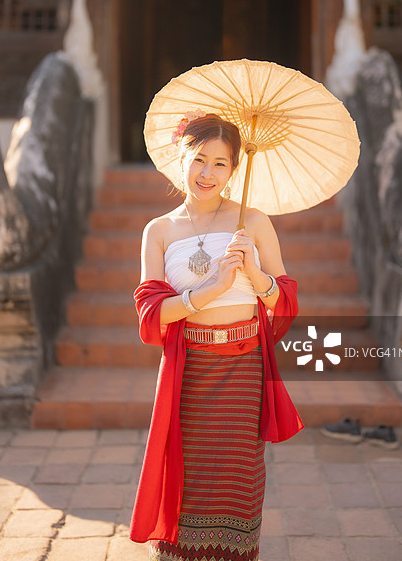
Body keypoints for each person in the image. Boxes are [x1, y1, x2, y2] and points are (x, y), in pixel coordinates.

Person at [129, 112, 303, 561]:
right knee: (187, 476)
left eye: (221, 163)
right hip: (191, 374)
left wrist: (255, 274)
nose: (207, 173)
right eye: (199, 159)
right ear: (180, 158)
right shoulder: (159, 231)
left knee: (238, 477)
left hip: (244, 372)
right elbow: (151, 316)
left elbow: (284, 302)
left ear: (235, 168)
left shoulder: (254, 222)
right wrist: (210, 291)